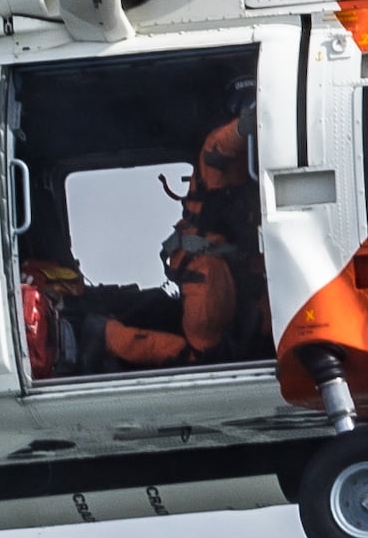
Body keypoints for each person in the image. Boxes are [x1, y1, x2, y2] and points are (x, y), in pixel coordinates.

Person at [68, 112, 271, 369]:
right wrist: (261, 112)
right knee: (204, 356)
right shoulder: (219, 157)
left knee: (263, 333)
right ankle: (108, 336)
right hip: (207, 273)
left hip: (238, 271)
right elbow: (224, 142)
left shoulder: (259, 171)